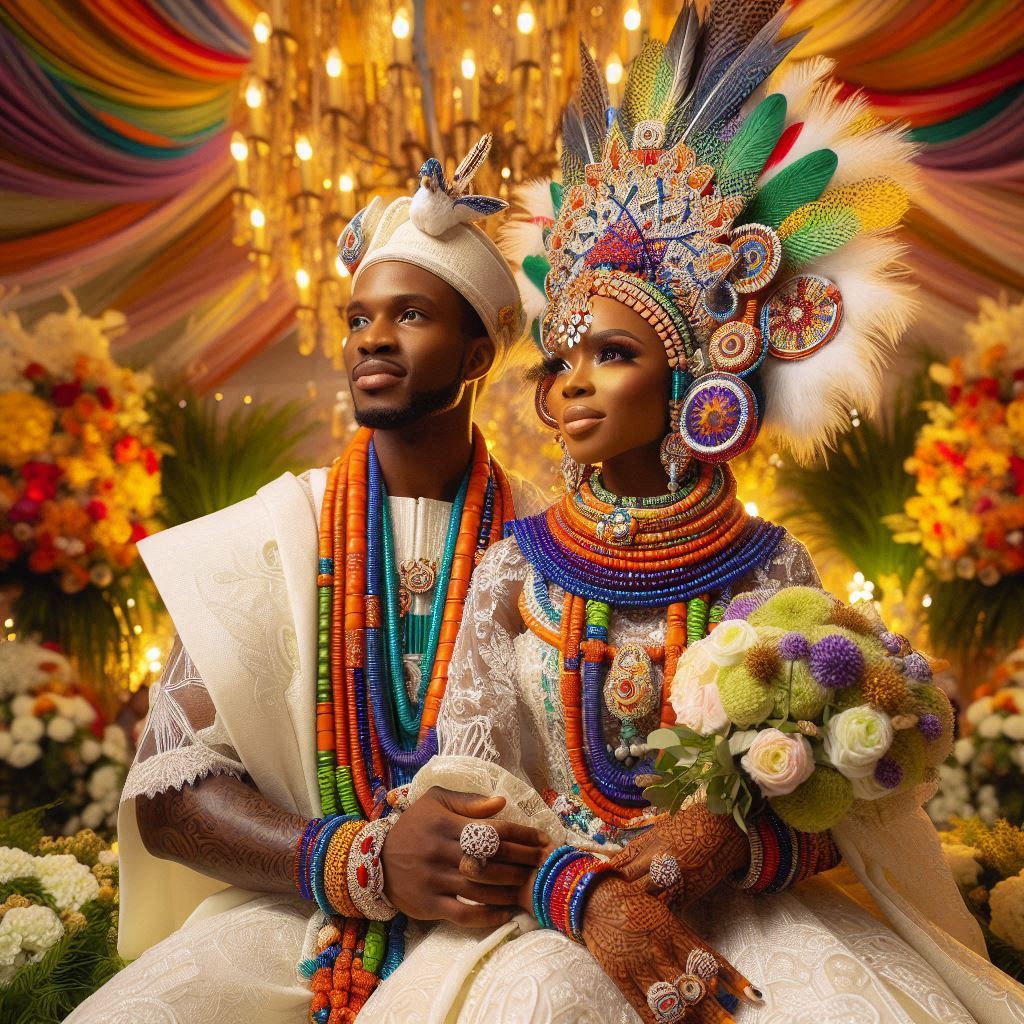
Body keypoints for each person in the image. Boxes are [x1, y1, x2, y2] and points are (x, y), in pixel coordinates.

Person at [358, 6, 1024, 1023]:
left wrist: (728, 839)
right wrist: (580, 890)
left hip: (757, 910)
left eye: (613, 355)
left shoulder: (767, 569)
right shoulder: (514, 569)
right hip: (558, 916)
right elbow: (470, 795)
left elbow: (850, 804)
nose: (574, 383)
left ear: (691, 380)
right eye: (564, 355)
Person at [66, 135, 551, 1024]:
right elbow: (171, 794)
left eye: (410, 315)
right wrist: (355, 862)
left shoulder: (545, 534)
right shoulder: (275, 532)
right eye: (360, 316)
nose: (371, 337)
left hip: (501, 917)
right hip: (301, 909)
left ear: (478, 354)